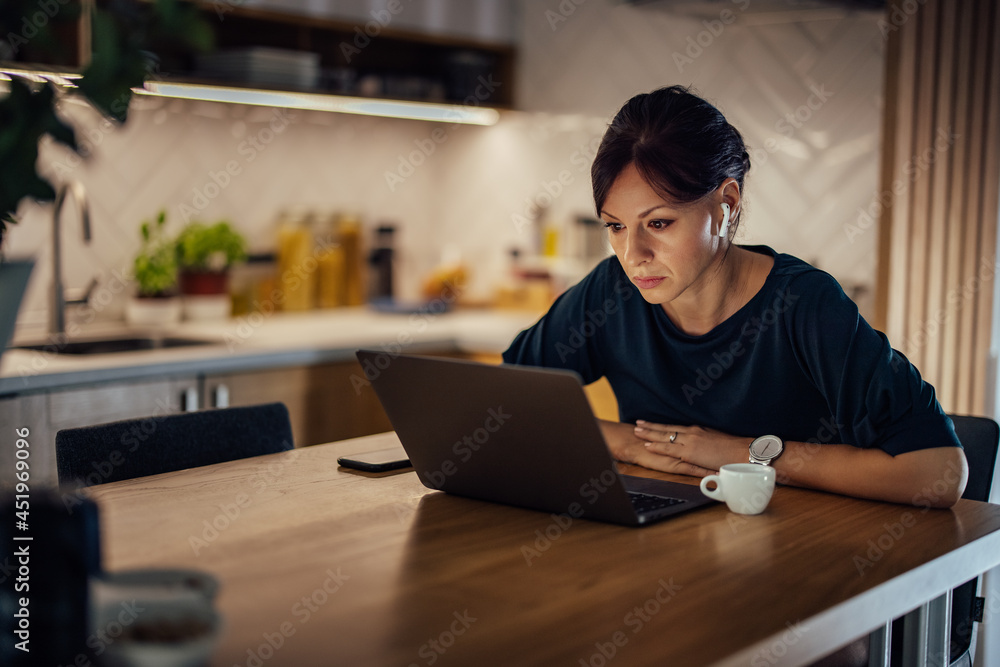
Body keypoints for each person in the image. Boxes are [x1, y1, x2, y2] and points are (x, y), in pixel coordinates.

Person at [502, 85, 967, 510]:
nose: (633, 254)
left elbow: (940, 472)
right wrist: (629, 443)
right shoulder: (611, 291)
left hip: (806, 551)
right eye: (616, 226)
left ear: (726, 204)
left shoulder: (804, 304)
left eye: (659, 223)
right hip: (662, 547)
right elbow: (504, 405)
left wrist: (743, 452)